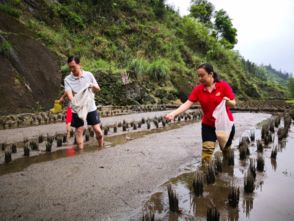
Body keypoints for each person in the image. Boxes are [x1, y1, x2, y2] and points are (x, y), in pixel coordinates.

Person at [165, 63, 236, 163]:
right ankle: (206, 172)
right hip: (208, 125)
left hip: (224, 124)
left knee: (226, 151)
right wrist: (173, 113)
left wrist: (228, 102)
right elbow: (187, 104)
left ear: (211, 74)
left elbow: (233, 103)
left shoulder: (223, 86)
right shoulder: (198, 89)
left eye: (202, 75)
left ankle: (227, 172)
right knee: (207, 153)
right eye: (198, 76)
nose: (199, 78)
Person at [64, 55, 103, 149]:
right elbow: (69, 94)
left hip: (90, 106)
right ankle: (81, 152)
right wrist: (76, 104)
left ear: (79, 65)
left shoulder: (88, 75)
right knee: (79, 131)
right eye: (70, 67)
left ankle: (101, 147)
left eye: (74, 66)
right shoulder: (67, 79)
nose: (72, 69)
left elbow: (98, 89)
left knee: (97, 130)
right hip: (77, 108)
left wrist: (92, 86)